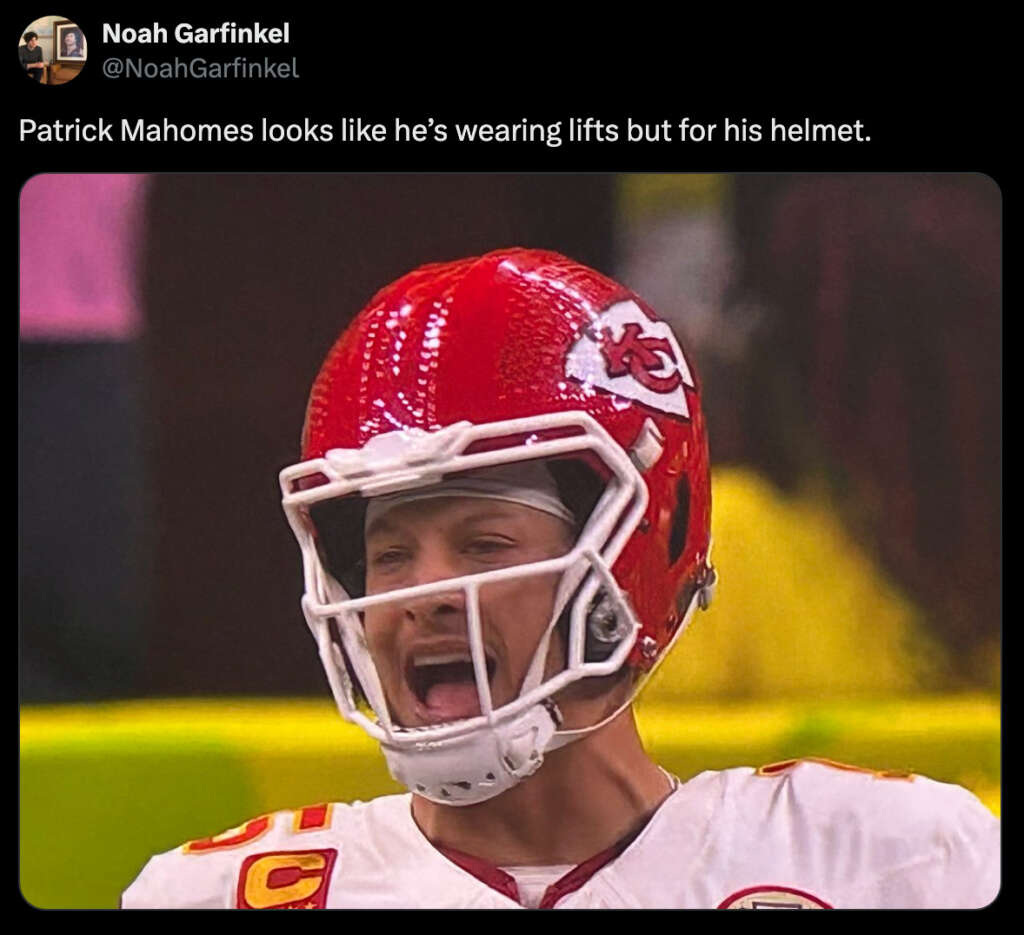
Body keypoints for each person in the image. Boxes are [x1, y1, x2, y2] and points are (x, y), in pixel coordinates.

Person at [121, 248, 999, 908]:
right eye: (390, 554)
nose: (423, 591)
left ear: (634, 557)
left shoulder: (891, 859)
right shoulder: (215, 892)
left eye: (484, 543)